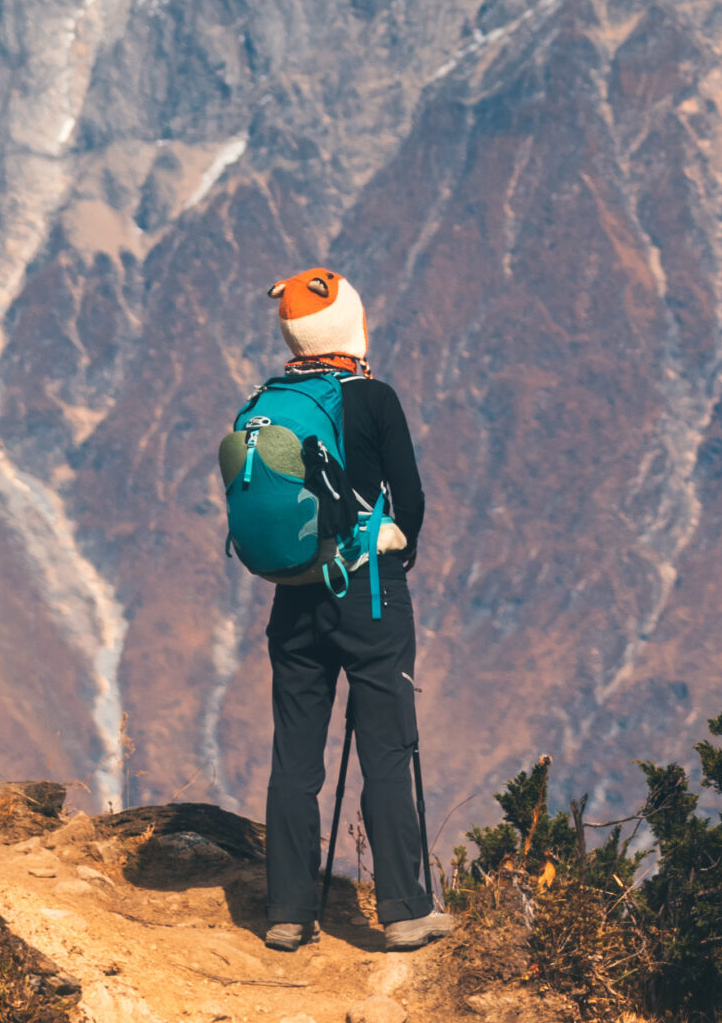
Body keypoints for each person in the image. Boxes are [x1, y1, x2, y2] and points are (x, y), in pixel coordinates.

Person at [253, 266, 453, 953]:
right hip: (368, 594)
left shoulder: (269, 400)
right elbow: (412, 498)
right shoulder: (373, 398)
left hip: (293, 598)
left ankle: (287, 911)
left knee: (296, 760)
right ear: (352, 324)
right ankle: (402, 910)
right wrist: (403, 543)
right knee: (387, 748)